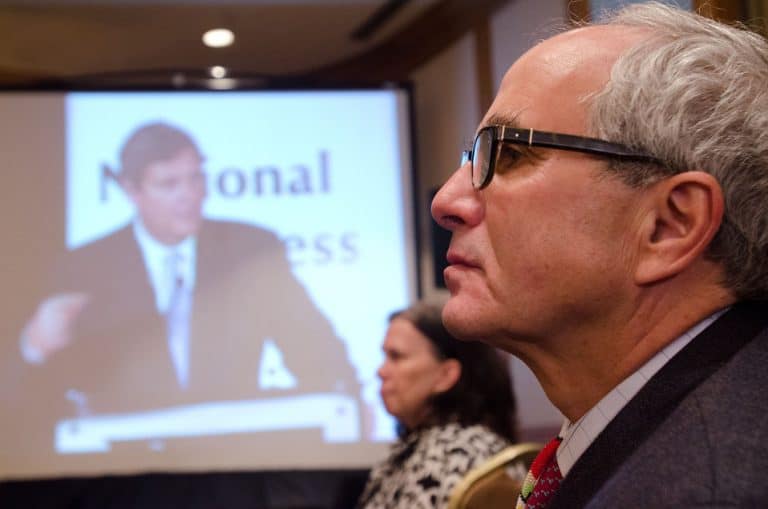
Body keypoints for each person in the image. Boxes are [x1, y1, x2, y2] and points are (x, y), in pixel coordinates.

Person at [431, 2, 768, 507]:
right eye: (471, 157)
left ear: (669, 225)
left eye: (510, 153)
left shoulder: (709, 487)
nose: (445, 202)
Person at [13, 121, 360, 428]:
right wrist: (34, 347)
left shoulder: (249, 249)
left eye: (196, 178)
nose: (189, 195)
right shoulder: (85, 267)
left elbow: (316, 350)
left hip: (236, 454)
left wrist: (349, 408)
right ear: (131, 191)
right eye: (169, 184)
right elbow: (42, 393)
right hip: (126, 468)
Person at [356, 300, 517, 509]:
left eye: (396, 357)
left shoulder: (463, 454)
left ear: (446, 375)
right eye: (384, 357)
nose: (381, 371)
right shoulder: (411, 448)